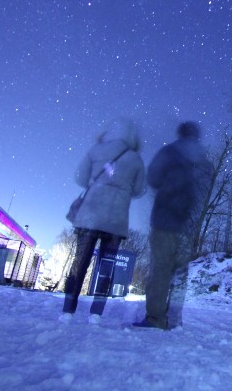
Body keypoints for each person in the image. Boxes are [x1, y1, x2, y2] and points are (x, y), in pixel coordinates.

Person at [62, 118, 146, 319]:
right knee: (107, 266)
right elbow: (139, 190)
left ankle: (68, 311)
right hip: (115, 221)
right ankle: (96, 314)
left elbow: (80, 178)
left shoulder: (95, 150)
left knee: (79, 263)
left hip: (89, 216)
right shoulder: (135, 158)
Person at [133, 121, 213, 330]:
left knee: (161, 268)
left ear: (180, 134)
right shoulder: (203, 161)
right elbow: (204, 192)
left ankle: (156, 319)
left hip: (164, 218)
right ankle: (174, 318)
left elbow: (153, 177)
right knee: (180, 273)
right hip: (187, 224)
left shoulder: (169, 152)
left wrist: (167, 190)